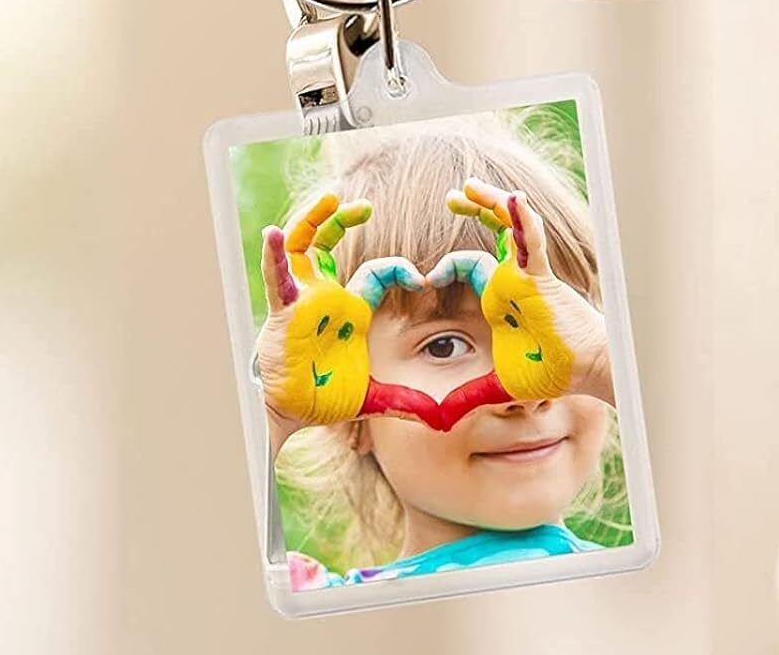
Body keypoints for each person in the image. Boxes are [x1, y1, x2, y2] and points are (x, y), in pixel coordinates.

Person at [250, 111, 629, 589]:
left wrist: (602, 362)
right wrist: (274, 413)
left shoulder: (665, 573)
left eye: (554, 329)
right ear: (350, 419)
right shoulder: (309, 602)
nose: (527, 393)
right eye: (445, 345)